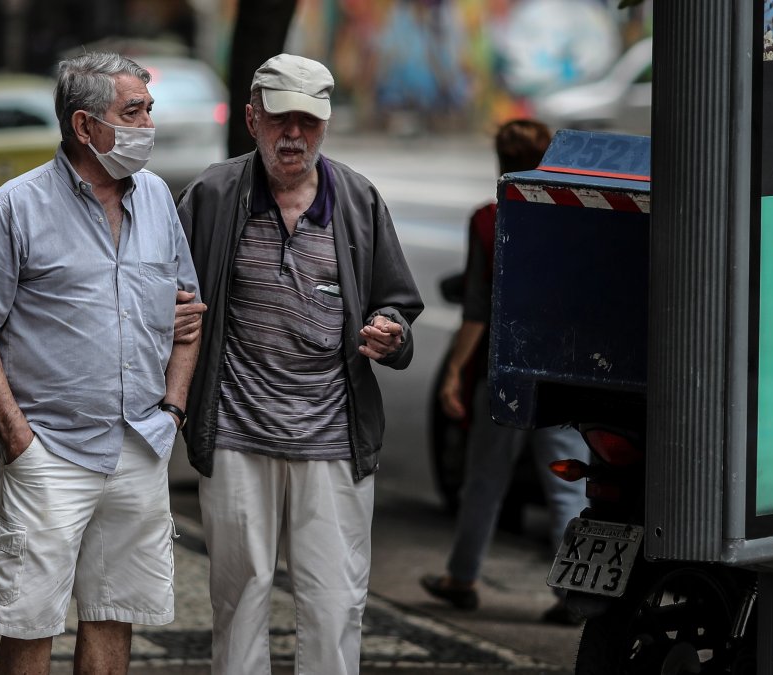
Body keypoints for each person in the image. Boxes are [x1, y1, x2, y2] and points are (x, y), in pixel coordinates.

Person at [0, 52, 204, 673]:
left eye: (149, 109)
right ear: (85, 126)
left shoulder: (160, 199)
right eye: (133, 111)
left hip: (140, 442)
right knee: (29, 621)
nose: (148, 124)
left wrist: (173, 408)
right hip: (49, 451)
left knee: (115, 612)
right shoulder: (14, 208)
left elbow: (188, 315)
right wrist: (17, 438)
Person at [177, 53, 423, 675]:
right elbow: (163, 292)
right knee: (239, 600)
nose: (294, 136)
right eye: (281, 120)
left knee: (335, 602)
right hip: (236, 433)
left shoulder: (359, 200)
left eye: (308, 123)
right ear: (252, 119)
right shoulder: (211, 195)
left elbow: (398, 301)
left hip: (334, 437)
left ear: (326, 124)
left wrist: (392, 333)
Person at [419, 119, 589, 625]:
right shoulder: (577, 218)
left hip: (506, 374)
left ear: (499, 164)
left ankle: (463, 577)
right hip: (561, 372)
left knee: (485, 480)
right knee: (568, 485)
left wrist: (454, 372)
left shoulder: (488, 221)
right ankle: (574, 594)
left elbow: (476, 310)